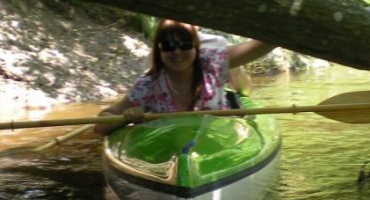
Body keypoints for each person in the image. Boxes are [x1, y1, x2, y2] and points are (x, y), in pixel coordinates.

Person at [94, 19, 275, 134]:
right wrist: (126, 117)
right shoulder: (148, 84)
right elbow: (101, 123)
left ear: (196, 46)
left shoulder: (213, 62)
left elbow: (259, 46)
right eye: (168, 45)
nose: (177, 52)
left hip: (219, 140)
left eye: (185, 44)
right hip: (170, 148)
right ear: (159, 50)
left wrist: (284, 29)